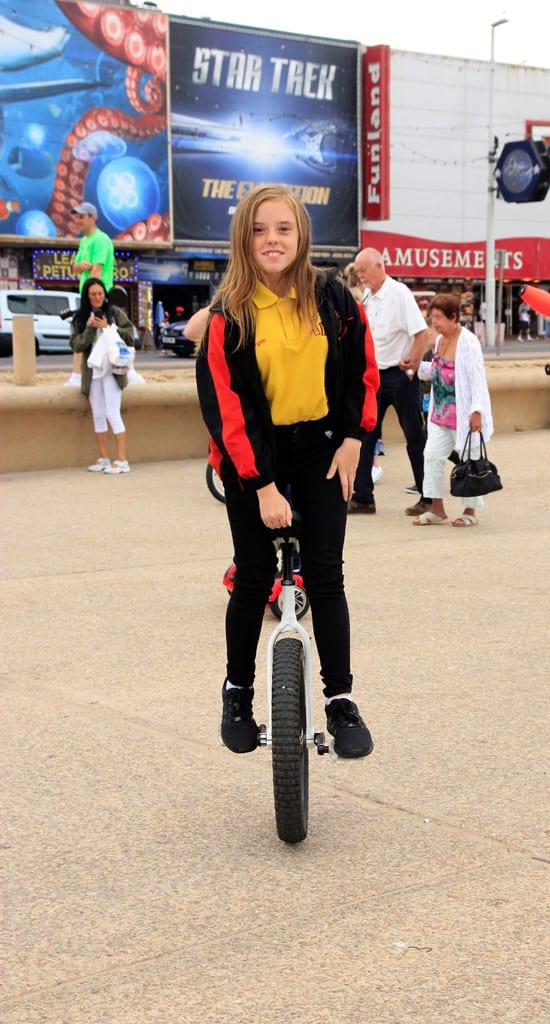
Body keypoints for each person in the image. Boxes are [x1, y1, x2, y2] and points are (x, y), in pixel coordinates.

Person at [195, 184, 379, 758]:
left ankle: (341, 700)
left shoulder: (332, 297)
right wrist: (263, 486)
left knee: (326, 576)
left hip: (320, 448)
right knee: (253, 577)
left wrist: (355, 440)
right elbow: (228, 410)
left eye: (283, 228)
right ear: (243, 239)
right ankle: (237, 693)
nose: (271, 240)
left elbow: (363, 368)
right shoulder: (229, 316)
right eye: (258, 230)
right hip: (253, 455)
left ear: (301, 236)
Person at [348, 247, 433, 516]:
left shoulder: (399, 293)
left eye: (363, 270)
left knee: (414, 436)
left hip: (399, 375)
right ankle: (363, 496)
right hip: (375, 375)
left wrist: (412, 366)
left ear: (379, 266)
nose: (360, 276)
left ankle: (428, 496)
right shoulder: (369, 298)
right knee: (366, 435)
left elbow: (422, 334)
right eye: (358, 271)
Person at [413, 294, 493, 527]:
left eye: (439, 317)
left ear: (454, 317)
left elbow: (477, 378)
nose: (434, 322)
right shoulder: (440, 340)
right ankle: (437, 508)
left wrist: (476, 411)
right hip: (440, 413)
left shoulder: (468, 342)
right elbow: (438, 370)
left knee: (470, 461)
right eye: (432, 317)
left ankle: (470, 510)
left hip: (463, 415)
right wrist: (416, 366)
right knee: (431, 456)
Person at [69, 277, 135, 474]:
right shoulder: (80, 318)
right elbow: (76, 345)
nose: (97, 298)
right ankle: (103, 457)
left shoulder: (114, 313)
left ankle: (122, 460)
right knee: (98, 414)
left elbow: (130, 337)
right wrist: (90, 328)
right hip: (93, 372)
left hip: (113, 370)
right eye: (93, 295)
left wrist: (108, 327)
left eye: (100, 294)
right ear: (87, 297)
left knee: (112, 412)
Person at [66, 202, 115, 388]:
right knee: (89, 334)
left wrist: (92, 298)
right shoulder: (84, 241)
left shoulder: (100, 240)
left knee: (101, 334)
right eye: (76, 217)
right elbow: (75, 267)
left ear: (92, 218)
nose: (77, 220)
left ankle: (78, 375)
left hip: (99, 298)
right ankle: (78, 374)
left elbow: (97, 271)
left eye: (81, 217)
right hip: (90, 297)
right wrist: (80, 266)